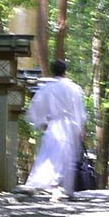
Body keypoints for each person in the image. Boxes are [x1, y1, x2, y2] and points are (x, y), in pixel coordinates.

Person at [22, 59, 87, 196]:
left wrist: (42, 123)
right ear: (65, 71)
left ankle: (50, 184)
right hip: (69, 125)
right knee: (65, 155)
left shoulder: (47, 88)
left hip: (54, 124)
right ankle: (59, 185)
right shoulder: (73, 88)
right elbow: (79, 110)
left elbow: (37, 107)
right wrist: (80, 127)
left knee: (50, 153)